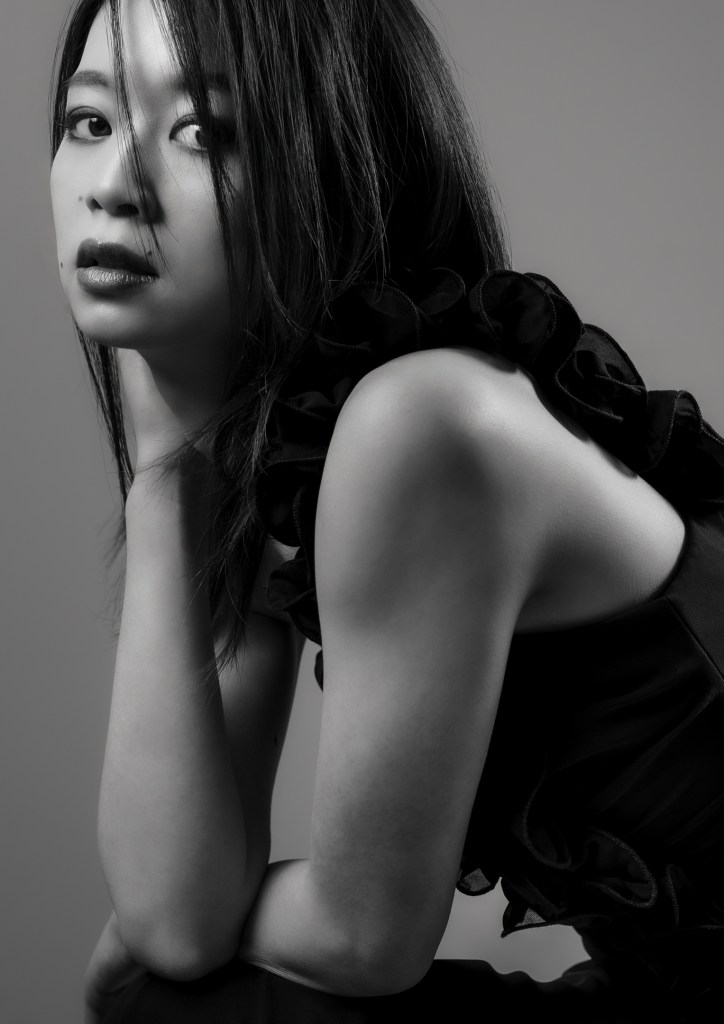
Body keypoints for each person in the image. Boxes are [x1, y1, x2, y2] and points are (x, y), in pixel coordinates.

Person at [49, 0, 724, 1021]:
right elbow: (179, 914)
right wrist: (163, 481)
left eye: (205, 133)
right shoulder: (297, 447)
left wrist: (137, 948)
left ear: (335, 161)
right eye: (91, 121)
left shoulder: (420, 419)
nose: (112, 185)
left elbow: (360, 937)